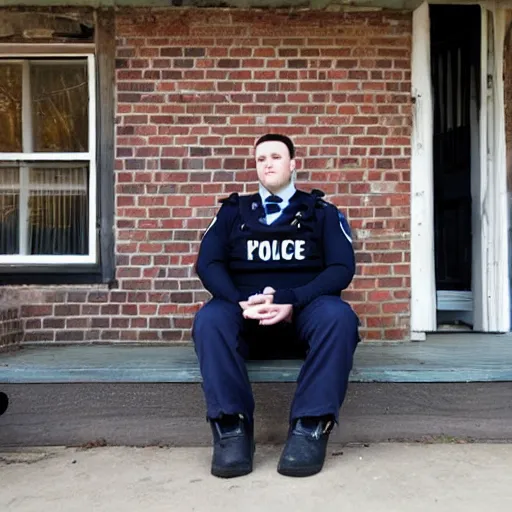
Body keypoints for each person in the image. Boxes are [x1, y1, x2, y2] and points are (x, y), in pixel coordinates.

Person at [192, 133, 360, 478]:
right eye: (260, 159)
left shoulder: (323, 213)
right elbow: (208, 264)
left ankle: (310, 427)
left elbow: (342, 268)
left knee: (339, 316)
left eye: (276, 157)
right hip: (245, 316)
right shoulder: (231, 212)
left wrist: (292, 300)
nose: (267, 163)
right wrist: (238, 301)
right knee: (209, 319)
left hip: (302, 317)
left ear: (293, 164)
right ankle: (231, 428)